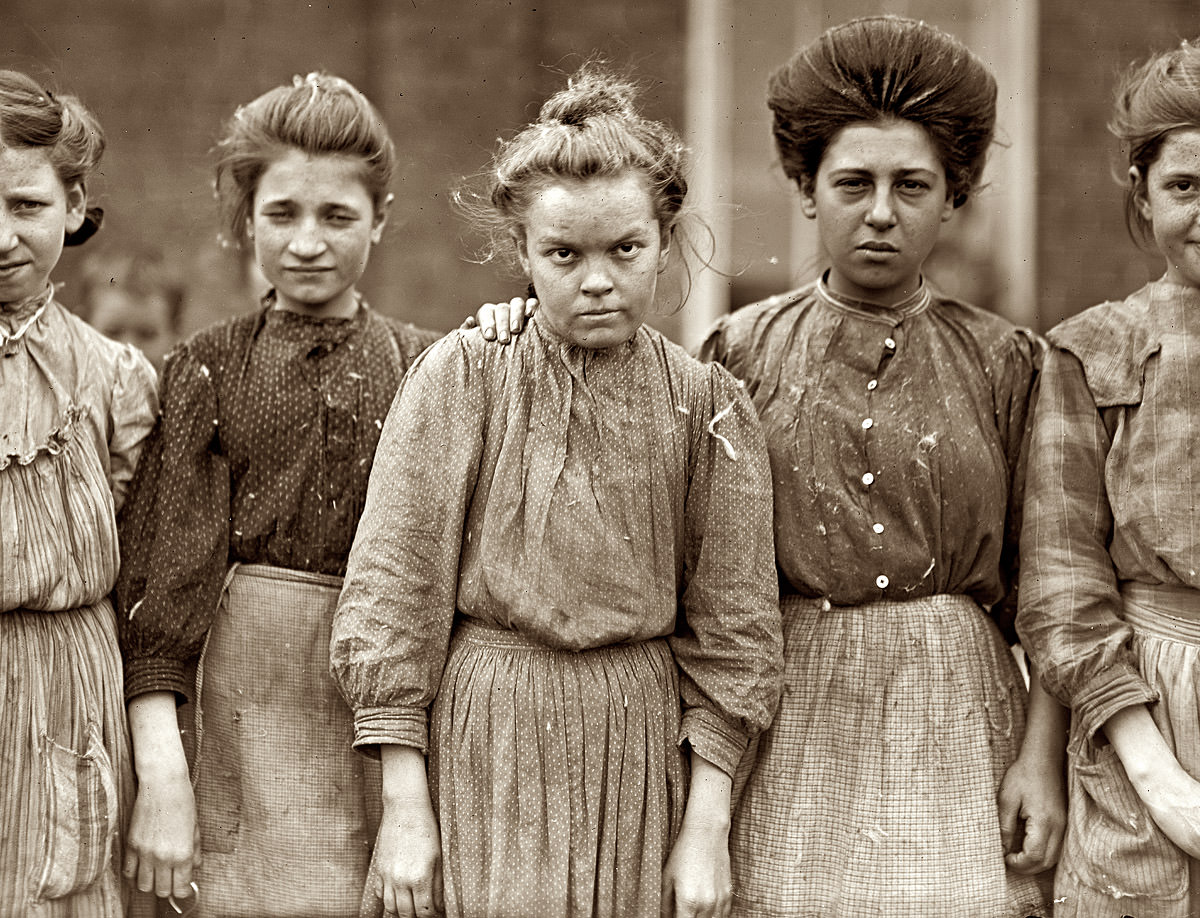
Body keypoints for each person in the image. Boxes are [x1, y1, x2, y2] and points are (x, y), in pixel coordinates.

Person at [330, 66, 784, 918]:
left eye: (626, 249)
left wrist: (705, 827)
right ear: (522, 253)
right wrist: (405, 809)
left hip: (635, 751)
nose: (598, 279)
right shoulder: (464, 377)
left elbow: (737, 632)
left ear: (665, 238)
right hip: (485, 744)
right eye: (564, 255)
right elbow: (394, 593)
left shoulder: (707, 407)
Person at [114, 72, 444, 917]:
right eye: (281, 214)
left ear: (382, 218)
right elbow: (163, 593)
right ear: (244, 221)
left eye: (337, 216)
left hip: (385, 710)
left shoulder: (431, 366)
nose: (307, 242)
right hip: (242, 709)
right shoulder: (208, 366)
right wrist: (163, 776)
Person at [1017, 37, 1200, 918]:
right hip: (1140, 704)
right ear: (1143, 191)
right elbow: (1061, 581)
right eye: (1185, 187)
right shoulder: (1090, 352)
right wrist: (1154, 768)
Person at [0, 71, 158, 916]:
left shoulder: (116, 378)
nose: (1, 236)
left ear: (72, 205)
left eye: (25, 205)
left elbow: (145, 572)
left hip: (72, 692)